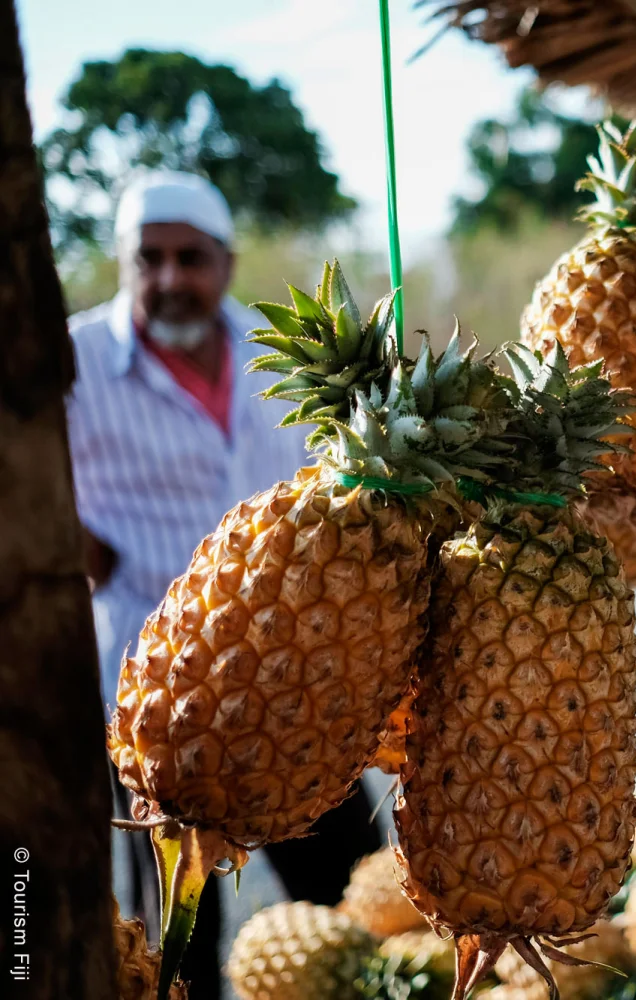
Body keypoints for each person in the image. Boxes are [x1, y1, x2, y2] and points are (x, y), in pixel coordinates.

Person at [67, 172, 381, 997]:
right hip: (159, 705)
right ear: (126, 263)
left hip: (304, 690)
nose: (171, 276)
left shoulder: (280, 350)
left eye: (190, 257)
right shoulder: (76, 362)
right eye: (150, 257)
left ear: (227, 262)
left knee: (364, 907)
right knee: (178, 948)